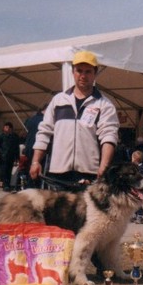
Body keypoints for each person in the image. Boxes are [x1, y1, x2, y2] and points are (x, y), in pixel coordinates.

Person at [30, 51, 119, 186]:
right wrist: (35, 162)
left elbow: (109, 136)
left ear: (95, 74)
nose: (83, 76)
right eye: (79, 71)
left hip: (89, 174)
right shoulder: (58, 101)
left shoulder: (104, 104)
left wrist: (104, 166)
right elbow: (44, 133)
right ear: (73, 72)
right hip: (57, 173)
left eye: (88, 71)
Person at [23, 103, 47, 188]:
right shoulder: (45, 120)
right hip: (40, 148)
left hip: (29, 147)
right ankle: (38, 187)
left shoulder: (30, 119)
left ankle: (30, 187)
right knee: (41, 170)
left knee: (30, 169)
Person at [0, 122, 20, 192]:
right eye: (6, 127)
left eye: (8, 127)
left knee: (9, 171)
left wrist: (17, 157)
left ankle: (7, 185)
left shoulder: (15, 136)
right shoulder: (1, 135)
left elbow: (16, 147)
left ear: (11, 129)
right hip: (3, 156)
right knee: (4, 171)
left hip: (11, 156)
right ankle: (5, 185)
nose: (7, 129)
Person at [130, 150, 143, 224]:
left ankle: (140, 216)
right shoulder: (136, 167)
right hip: (135, 188)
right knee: (134, 202)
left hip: (139, 189)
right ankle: (135, 215)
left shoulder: (140, 168)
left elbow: (140, 178)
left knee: (138, 203)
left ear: (134, 159)